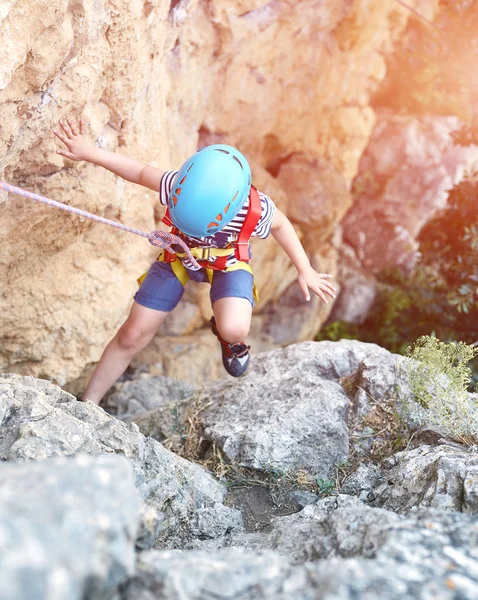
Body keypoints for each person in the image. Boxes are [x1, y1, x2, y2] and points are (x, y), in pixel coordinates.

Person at [53, 119, 336, 404]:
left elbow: (281, 225)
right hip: (177, 256)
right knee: (132, 334)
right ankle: (88, 402)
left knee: (235, 327)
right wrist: (91, 152)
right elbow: (138, 172)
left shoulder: (253, 207)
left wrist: (305, 268)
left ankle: (230, 340)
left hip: (229, 261)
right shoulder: (181, 184)